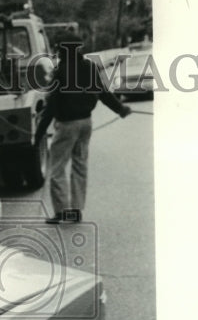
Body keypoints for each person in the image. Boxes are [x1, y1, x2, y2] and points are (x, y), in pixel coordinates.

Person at [39, 38, 131, 223]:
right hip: (85, 124)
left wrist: (39, 132)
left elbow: (51, 106)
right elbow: (103, 92)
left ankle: (62, 212)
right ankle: (76, 211)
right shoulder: (89, 67)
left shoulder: (61, 71)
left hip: (67, 126)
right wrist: (121, 109)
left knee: (57, 169)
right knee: (80, 166)